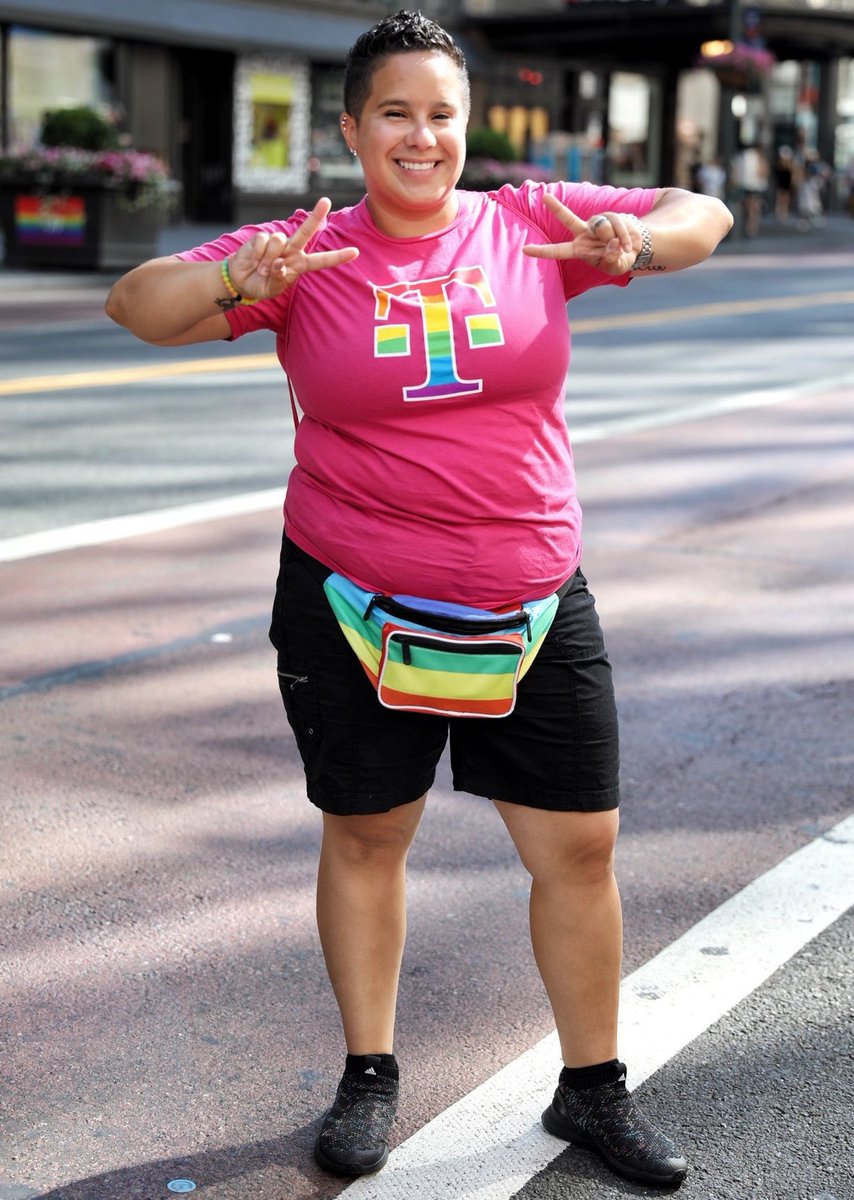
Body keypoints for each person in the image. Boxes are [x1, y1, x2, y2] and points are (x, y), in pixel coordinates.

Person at [106, 9, 732, 1189]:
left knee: (581, 851)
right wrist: (238, 275)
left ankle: (592, 1091)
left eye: (440, 113)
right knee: (366, 833)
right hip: (350, 596)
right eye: (394, 111)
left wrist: (633, 243)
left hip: (534, 591)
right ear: (350, 127)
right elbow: (136, 306)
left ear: (465, 127)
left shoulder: (527, 222)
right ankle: (368, 1075)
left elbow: (700, 212)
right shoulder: (305, 249)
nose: (420, 135)